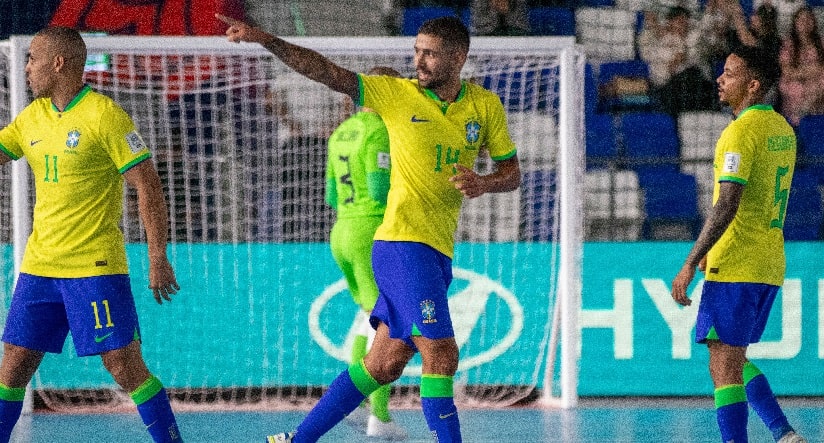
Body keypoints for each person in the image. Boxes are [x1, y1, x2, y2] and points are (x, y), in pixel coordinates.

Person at [217, 13, 521, 443]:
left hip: (437, 249)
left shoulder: (485, 106)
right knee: (442, 353)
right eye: (416, 51)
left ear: (459, 56)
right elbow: (325, 71)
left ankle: (297, 439)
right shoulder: (396, 95)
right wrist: (267, 39)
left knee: (383, 365)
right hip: (400, 244)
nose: (419, 61)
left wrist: (484, 183)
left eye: (430, 53)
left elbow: (512, 173)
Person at [0, 27, 182, 443]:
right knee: (13, 363)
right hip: (39, 267)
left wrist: (157, 256)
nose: (26, 68)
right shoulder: (32, 117)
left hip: (93, 266)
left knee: (123, 364)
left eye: (33, 59)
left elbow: (148, 184)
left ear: (58, 63)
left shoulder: (105, 116)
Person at [671, 45, 806, 443]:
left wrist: (690, 259)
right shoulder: (782, 129)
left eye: (729, 73)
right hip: (767, 262)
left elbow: (728, 201)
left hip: (736, 265)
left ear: (752, 85)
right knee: (732, 356)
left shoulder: (739, 132)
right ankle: (784, 434)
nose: (719, 79)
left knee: (723, 368)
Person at [324, 65, 407, 440]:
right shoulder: (378, 131)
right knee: (389, 324)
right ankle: (380, 417)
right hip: (371, 230)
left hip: (342, 231)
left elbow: (329, 196)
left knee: (367, 317)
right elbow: (378, 188)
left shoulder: (341, 132)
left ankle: (358, 406)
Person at [638, 6, 716, 115]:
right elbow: (665, 73)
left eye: (685, 21)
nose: (683, 25)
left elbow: (706, 29)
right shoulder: (662, 43)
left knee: (696, 76)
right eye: (679, 21)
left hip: (697, 86)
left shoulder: (694, 39)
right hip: (671, 89)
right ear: (670, 22)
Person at [778, 6, 824, 126]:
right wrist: (809, 72)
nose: (805, 23)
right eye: (801, 19)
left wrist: (815, 72)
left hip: (817, 81)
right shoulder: (789, 44)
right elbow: (787, 71)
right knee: (796, 89)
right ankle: (797, 122)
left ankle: (813, 119)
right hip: (795, 80)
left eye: (809, 19)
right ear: (795, 22)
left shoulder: (821, 43)